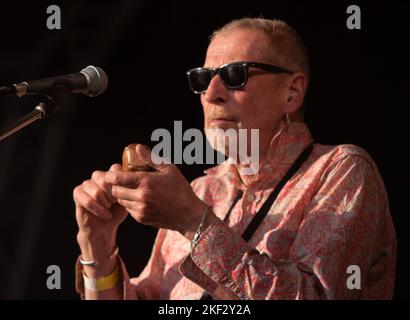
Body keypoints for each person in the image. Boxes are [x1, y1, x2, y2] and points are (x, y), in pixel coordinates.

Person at [73, 18, 396, 300]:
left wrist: (192, 222)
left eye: (234, 74)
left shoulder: (341, 169)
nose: (212, 93)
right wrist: (97, 245)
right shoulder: (200, 191)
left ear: (292, 92)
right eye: (202, 79)